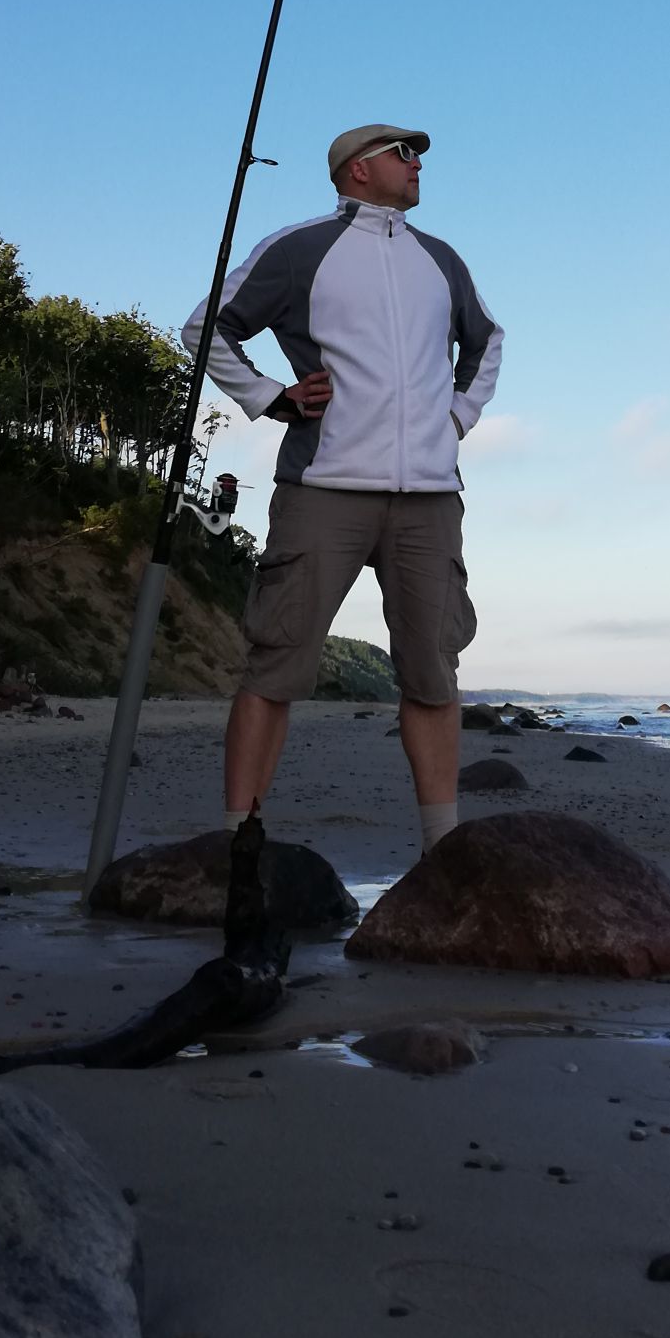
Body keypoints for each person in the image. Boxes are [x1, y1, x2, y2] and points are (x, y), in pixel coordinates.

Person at [182, 123, 503, 855]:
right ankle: (239, 846)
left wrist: (456, 416)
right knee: (276, 665)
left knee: (433, 672)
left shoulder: (441, 258)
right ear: (358, 169)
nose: (417, 165)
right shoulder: (299, 249)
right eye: (404, 153)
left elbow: (487, 341)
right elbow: (206, 330)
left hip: (430, 496)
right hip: (322, 487)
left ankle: (443, 849)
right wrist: (271, 397)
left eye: (418, 155)